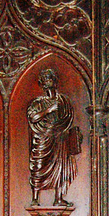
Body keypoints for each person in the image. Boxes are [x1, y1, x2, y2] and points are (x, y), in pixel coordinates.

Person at [27, 69, 81, 207]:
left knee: (61, 166)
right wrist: (48, 110)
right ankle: (35, 198)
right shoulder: (38, 102)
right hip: (44, 137)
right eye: (44, 79)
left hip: (60, 137)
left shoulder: (64, 100)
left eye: (50, 78)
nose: (47, 81)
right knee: (38, 166)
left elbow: (68, 120)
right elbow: (33, 117)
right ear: (42, 84)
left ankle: (58, 198)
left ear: (55, 81)